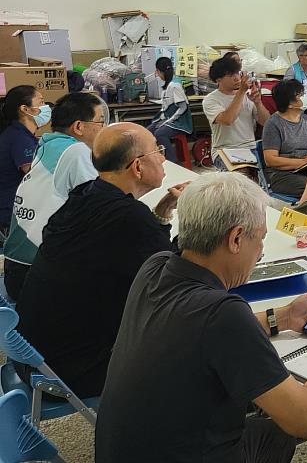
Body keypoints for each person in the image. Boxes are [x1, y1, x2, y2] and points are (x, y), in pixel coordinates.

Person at [95, 172, 307, 463]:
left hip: (127, 449)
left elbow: (199, 332)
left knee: (266, 427)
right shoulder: (223, 312)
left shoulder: (156, 266)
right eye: (260, 239)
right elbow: (305, 416)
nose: (261, 251)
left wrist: (283, 317)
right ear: (236, 238)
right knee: (279, 432)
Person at [13, 122, 187, 398]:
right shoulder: (129, 219)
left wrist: (162, 210)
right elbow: (176, 280)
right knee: (193, 345)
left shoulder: (84, 196)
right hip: (72, 368)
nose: (164, 157)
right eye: (159, 150)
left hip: (31, 354)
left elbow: (142, 252)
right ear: (137, 167)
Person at [3, 92, 105, 300]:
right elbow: (103, 204)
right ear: (78, 127)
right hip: (37, 271)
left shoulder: (48, 144)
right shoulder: (75, 151)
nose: (103, 128)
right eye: (100, 122)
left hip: (16, 265)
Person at [262, 79, 307, 229]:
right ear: (290, 103)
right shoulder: (274, 124)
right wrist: (303, 162)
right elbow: (270, 160)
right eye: (300, 94)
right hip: (282, 175)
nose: (305, 97)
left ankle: (300, 208)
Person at [203, 55, 269, 169]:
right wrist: (241, 92)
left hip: (251, 147)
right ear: (218, 80)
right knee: (241, 176)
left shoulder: (247, 95)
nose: (236, 78)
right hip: (224, 150)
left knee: (270, 173)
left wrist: (258, 103)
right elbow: (227, 120)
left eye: (237, 73)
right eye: (230, 75)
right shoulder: (211, 100)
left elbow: (266, 122)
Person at [0, 86, 46, 234]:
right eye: (41, 102)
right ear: (25, 109)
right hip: (13, 215)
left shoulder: (21, 135)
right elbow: (37, 175)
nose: (45, 107)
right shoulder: (19, 139)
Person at [146, 56, 193, 164]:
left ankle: (172, 162)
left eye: (157, 72)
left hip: (179, 122)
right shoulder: (167, 86)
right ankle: (154, 161)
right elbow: (168, 104)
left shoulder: (175, 86)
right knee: (147, 131)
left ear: (159, 71)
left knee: (159, 133)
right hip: (169, 119)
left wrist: (168, 121)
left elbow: (183, 107)